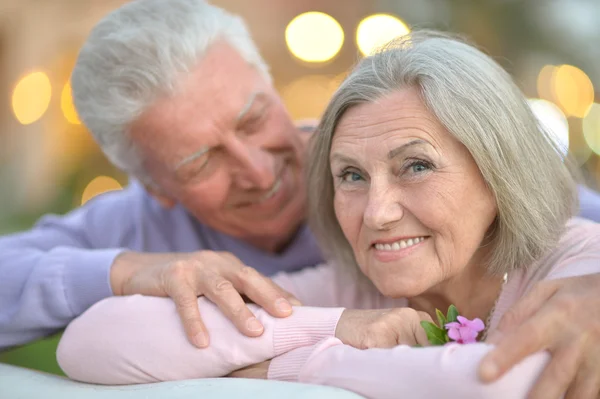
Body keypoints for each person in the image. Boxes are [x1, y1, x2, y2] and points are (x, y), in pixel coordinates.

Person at [0, 0, 599, 395]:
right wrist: (129, 270)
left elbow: (550, 227)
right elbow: (89, 342)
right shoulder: (350, 280)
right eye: (200, 160)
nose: (258, 171)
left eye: (254, 118)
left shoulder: (385, 137)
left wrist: (284, 366)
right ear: (154, 187)